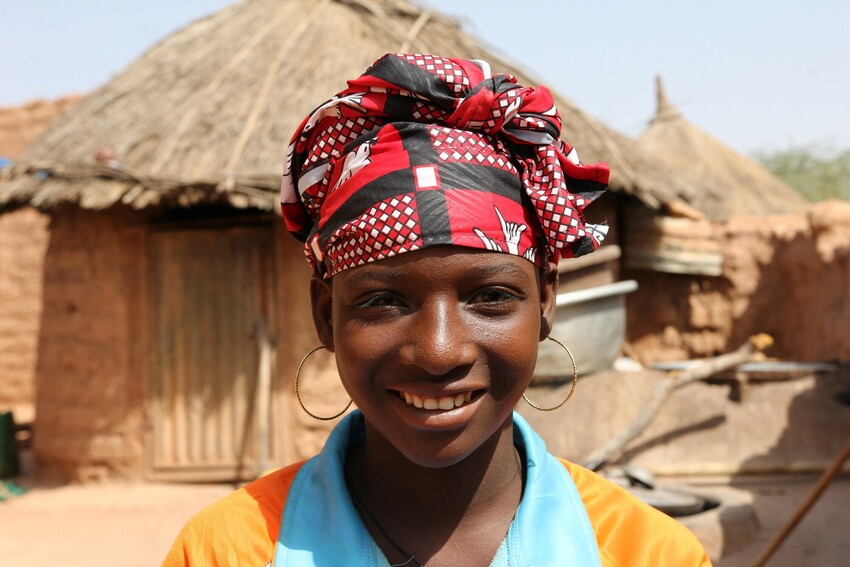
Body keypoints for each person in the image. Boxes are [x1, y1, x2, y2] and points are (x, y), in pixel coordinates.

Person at [163, 53, 711, 566]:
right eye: (382, 301)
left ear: (545, 300)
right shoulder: (229, 550)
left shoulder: (645, 552)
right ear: (327, 315)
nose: (438, 351)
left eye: (491, 297)